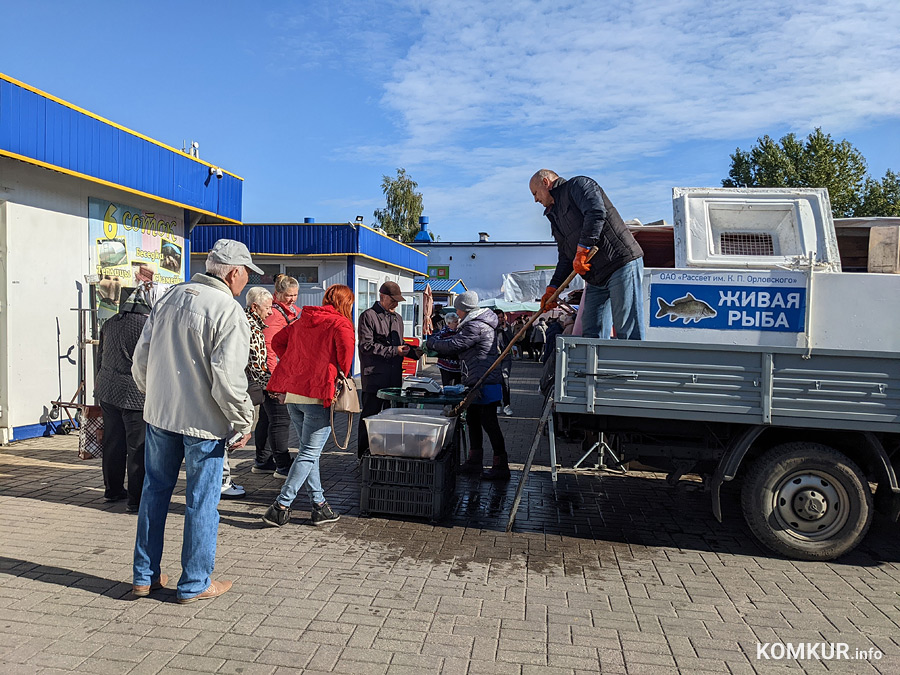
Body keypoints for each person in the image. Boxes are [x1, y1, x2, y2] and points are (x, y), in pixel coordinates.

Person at [130, 238, 259, 604]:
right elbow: (228, 379)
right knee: (201, 501)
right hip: (202, 423)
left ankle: (144, 575)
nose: (247, 280)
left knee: (154, 492)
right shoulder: (228, 310)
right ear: (234, 272)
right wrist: (244, 420)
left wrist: (152, 395)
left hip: (161, 415)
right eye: (246, 272)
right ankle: (195, 582)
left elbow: (142, 359)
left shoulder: (169, 297)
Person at [261, 284, 355, 528]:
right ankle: (281, 506)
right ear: (346, 303)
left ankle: (319, 505)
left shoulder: (303, 319)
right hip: (318, 393)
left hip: (295, 392)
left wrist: (297, 362)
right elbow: (346, 360)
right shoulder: (340, 323)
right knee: (309, 453)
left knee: (307, 452)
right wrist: (332, 370)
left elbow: (278, 342)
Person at [530, 169, 644, 340]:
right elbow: (566, 256)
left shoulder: (578, 185)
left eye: (535, 193)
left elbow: (596, 212)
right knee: (591, 332)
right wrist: (553, 287)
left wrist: (583, 249)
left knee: (627, 329)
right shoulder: (555, 216)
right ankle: (596, 366)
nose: (535, 199)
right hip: (596, 277)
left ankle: (633, 365)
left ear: (546, 183)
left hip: (619, 262)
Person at [94, 282, 163, 511]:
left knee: (112, 443)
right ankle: (136, 499)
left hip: (107, 390)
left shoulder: (110, 323)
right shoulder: (149, 326)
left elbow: (100, 358)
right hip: (135, 394)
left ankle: (112, 490)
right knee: (137, 447)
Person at [427, 291, 509, 480]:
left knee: (489, 422)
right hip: (475, 379)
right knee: (472, 419)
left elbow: (454, 345)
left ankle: (501, 465)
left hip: (484, 380)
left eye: (458, 308)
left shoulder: (476, 326)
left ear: (464, 309)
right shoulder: (475, 324)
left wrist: (431, 342)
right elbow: (458, 351)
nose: (456, 311)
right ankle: (474, 461)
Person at [220, 287, 274, 500]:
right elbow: (255, 364)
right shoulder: (249, 326)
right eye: (267, 308)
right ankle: (222, 481)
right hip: (242, 389)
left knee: (232, 434)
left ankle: (222, 479)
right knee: (234, 434)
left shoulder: (249, 322)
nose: (270, 312)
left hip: (241, 387)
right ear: (255, 307)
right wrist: (271, 384)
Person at [357, 281, 410, 458]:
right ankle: (363, 454)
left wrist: (411, 351)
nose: (396, 304)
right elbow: (366, 346)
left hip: (394, 377)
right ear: (382, 297)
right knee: (370, 417)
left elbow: (399, 345)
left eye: (397, 301)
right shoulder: (368, 316)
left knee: (393, 417)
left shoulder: (397, 318)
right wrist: (395, 351)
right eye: (393, 300)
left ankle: (388, 453)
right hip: (374, 377)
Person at [254, 274, 299, 477]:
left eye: (295, 295)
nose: (292, 299)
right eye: (288, 295)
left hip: (278, 374)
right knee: (280, 419)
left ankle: (262, 461)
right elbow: (270, 348)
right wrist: (275, 379)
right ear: (277, 293)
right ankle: (282, 464)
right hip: (274, 376)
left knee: (267, 417)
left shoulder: (291, 312)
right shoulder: (274, 315)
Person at [493, 309, 515, 416]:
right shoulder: (491, 328)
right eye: (498, 317)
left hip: (506, 357)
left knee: (505, 380)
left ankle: (507, 405)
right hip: (494, 358)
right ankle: (497, 404)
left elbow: (513, 339)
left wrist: (505, 329)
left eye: (502, 317)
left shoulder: (507, 327)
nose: (500, 319)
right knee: (496, 381)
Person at [434, 312, 462, 386]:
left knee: (458, 386)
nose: (458, 323)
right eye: (455, 322)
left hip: (458, 365)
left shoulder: (460, 331)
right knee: (447, 386)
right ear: (448, 323)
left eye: (458, 321)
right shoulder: (443, 333)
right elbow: (438, 346)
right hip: (445, 365)